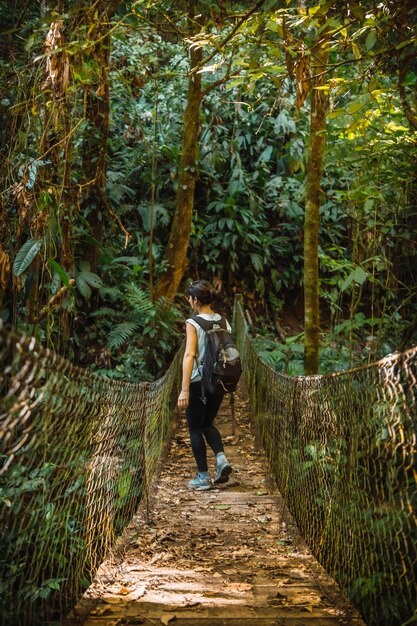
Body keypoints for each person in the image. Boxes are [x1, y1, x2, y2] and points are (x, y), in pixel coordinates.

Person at [177, 280, 233, 491]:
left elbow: (190, 354)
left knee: (195, 427)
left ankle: (202, 476)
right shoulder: (224, 321)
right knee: (208, 422)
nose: (189, 302)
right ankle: (221, 460)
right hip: (218, 380)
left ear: (195, 300)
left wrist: (184, 390)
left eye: (190, 298)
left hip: (198, 382)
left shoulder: (193, 323)